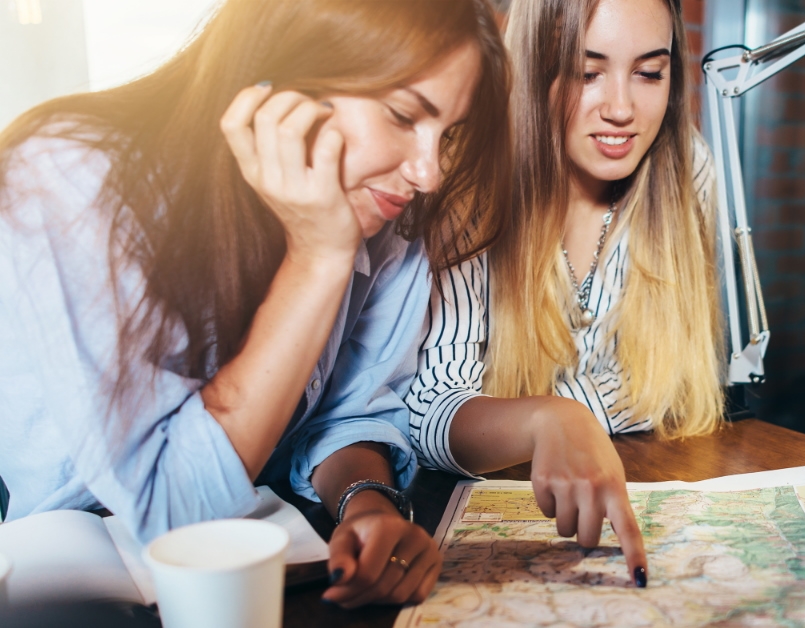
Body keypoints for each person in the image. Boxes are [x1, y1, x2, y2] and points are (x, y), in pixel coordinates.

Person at [0, 0, 510, 606]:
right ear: (281, 84)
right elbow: (176, 513)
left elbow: (347, 412)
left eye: (448, 134)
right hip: (50, 562)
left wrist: (367, 505)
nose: (428, 172)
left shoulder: (391, 223)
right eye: (402, 115)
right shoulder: (69, 173)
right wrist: (319, 258)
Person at [405, 0, 725, 586]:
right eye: (587, 72)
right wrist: (547, 421)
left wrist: (567, 416)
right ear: (532, 66)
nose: (622, 109)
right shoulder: (465, 177)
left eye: (650, 73)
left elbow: (675, 377)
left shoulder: (689, 169)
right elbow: (427, 411)